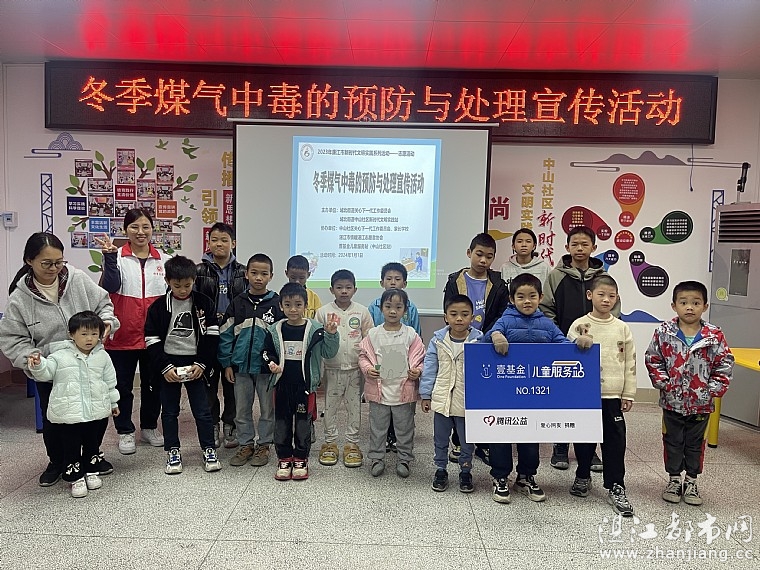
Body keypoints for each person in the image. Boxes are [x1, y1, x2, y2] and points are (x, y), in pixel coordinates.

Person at [0, 232, 120, 486]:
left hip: (88, 361)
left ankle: (91, 456)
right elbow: (12, 338)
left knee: (95, 414)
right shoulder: (19, 297)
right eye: (46, 263)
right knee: (54, 418)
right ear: (29, 261)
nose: (54, 268)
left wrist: (107, 323)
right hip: (52, 368)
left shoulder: (77, 279)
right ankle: (58, 461)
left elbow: (104, 304)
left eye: (59, 262)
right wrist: (31, 358)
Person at [482, 273, 570, 504]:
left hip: (533, 395)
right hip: (503, 393)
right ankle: (500, 476)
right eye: (521, 296)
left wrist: (580, 346)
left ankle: (526, 477)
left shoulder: (547, 324)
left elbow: (564, 347)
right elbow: (485, 341)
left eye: (532, 296)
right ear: (512, 299)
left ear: (541, 297)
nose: (527, 301)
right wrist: (496, 336)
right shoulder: (505, 321)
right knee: (500, 435)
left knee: (531, 436)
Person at [645, 280, 733, 507]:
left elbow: (724, 364)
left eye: (696, 303)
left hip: (701, 403)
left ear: (705, 306)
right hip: (672, 402)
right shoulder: (664, 332)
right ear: (674, 305)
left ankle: (691, 481)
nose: (690, 307)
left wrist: (712, 389)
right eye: (683, 302)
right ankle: (674, 480)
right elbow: (653, 359)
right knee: (672, 442)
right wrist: (663, 383)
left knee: (695, 444)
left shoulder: (714, 335)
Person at [540, 225, 620, 471]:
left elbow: (614, 310)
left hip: (594, 351)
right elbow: (546, 307)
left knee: (589, 399)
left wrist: (602, 336)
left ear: (594, 247)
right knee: (563, 397)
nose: (580, 248)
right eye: (574, 244)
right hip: (564, 346)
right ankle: (560, 445)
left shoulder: (602, 277)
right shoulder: (556, 275)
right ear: (567, 247)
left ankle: (588, 448)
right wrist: (558, 336)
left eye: (585, 244)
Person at [98, 208, 171, 455]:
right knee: (122, 386)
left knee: (153, 385)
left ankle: (149, 427)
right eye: (134, 227)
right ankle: (125, 431)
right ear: (125, 230)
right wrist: (109, 258)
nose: (140, 232)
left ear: (152, 229)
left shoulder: (164, 259)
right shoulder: (116, 256)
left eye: (145, 227)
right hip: (122, 334)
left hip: (154, 336)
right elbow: (110, 287)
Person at [27, 312, 119, 498]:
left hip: (95, 411)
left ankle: (91, 470)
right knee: (71, 445)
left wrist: (113, 402)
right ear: (71, 334)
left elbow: (110, 382)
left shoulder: (103, 356)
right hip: (69, 413)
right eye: (84, 334)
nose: (89, 339)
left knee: (93, 443)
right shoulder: (59, 356)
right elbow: (46, 373)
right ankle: (75, 476)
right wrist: (38, 365)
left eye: (94, 334)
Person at [144, 255, 222, 475]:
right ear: (167, 281)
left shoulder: (204, 303)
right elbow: (151, 339)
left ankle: (208, 448)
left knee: (203, 410)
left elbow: (212, 336)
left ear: (194, 280)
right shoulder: (158, 307)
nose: (182, 290)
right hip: (169, 363)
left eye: (187, 285)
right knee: (169, 411)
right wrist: (165, 367)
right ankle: (173, 450)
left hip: (196, 363)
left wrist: (202, 364)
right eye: (177, 285)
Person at [567, 275, 636, 516]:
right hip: (585, 395)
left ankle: (616, 485)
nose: (606, 299)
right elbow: (566, 356)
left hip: (612, 395)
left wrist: (628, 393)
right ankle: (582, 475)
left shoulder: (622, 328)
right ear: (590, 296)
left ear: (617, 298)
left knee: (615, 441)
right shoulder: (579, 325)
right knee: (584, 438)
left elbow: (630, 362)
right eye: (601, 295)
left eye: (611, 296)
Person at [444, 232, 509, 465]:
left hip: (487, 345)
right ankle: (458, 441)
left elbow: (501, 315)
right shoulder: (454, 280)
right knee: (460, 395)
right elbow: (448, 310)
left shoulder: (499, 284)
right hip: (460, 343)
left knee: (484, 397)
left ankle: (483, 444)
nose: (483, 260)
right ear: (469, 253)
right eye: (479, 254)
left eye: (489, 256)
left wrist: (486, 336)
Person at [263, 283, 339, 481]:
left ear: (306, 306)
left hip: (305, 387)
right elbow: (266, 352)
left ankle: (300, 459)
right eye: (288, 305)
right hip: (282, 386)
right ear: (281, 306)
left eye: (298, 304)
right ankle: (284, 458)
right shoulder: (275, 330)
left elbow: (329, 352)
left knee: (303, 424)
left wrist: (331, 334)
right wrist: (271, 364)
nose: (293, 309)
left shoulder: (315, 329)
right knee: (282, 423)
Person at [219, 253, 283, 468]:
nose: (258, 278)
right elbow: (226, 334)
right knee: (242, 410)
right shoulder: (238, 303)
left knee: (267, 410)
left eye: (264, 274)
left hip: (266, 369)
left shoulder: (277, 304)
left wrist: (279, 364)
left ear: (271, 276)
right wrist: (227, 363)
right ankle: (245, 444)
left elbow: (281, 336)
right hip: (241, 368)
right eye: (254, 273)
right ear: (246, 274)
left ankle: (264, 444)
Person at [359, 288, 425, 479]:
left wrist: (417, 370)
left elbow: (420, 358)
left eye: (398, 307)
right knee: (377, 428)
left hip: (403, 392)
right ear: (381, 308)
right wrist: (368, 369)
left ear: (405, 310)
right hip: (379, 391)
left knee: (405, 429)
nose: (393, 311)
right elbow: (363, 356)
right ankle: (376, 458)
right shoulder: (373, 334)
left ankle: (404, 459)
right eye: (388, 306)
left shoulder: (410, 334)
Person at [420, 294, 482, 493]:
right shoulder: (438, 340)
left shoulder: (479, 341)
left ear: (472, 317)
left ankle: (465, 471)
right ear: (445, 317)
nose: (459, 319)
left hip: (466, 401)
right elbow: (430, 368)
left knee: (467, 440)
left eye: (465, 314)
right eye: (454, 314)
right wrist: (426, 395)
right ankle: (441, 469)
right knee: (440, 438)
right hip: (442, 399)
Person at [194, 222, 248, 449]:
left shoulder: (243, 271)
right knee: (208, 384)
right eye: (214, 240)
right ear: (208, 243)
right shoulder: (198, 271)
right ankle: (212, 424)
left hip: (234, 337)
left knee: (232, 384)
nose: (219, 244)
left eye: (224, 240)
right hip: (207, 335)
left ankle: (230, 424)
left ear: (233, 243)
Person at [315, 269, 373, 468]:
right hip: (331, 369)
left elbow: (369, 340)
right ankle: (330, 442)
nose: (344, 291)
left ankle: (352, 444)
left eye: (348, 287)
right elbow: (318, 343)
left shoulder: (362, 312)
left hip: (355, 370)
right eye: (339, 287)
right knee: (329, 408)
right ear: (332, 289)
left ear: (355, 289)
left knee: (354, 408)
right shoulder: (323, 312)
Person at [368, 262, 422, 453]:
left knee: (402, 407)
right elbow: (369, 340)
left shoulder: (410, 308)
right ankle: (384, 439)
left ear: (404, 283)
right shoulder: (374, 306)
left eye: (397, 279)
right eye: (389, 278)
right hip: (381, 367)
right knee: (382, 406)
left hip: (403, 369)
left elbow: (417, 336)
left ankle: (399, 439)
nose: (393, 282)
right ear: (381, 282)